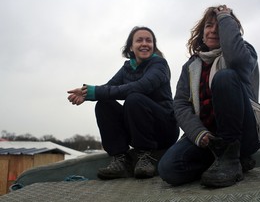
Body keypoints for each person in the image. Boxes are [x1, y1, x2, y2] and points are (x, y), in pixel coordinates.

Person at [158, 5, 260, 187]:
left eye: (219, 26)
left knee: (224, 78)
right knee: (168, 170)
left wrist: (225, 17)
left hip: (244, 134)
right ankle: (227, 163)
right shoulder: (190, 66)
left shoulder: (245, 52)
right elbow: (180, 104)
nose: (213, 31)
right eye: (208, 26)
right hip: (210, 139)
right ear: (202, 32)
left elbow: (236, 60)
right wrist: (198, 132)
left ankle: (233, 158)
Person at [67, 26, 179, 180]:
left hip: (164, 129)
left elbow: (141, 87)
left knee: (134, 98)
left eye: (149, 40)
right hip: (139, 129)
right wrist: (87, 93)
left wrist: (95, 91)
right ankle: (120, 159)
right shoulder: (127, 68)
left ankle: (145, 157)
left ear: (154, 46)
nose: (144, 43)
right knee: (104, 103)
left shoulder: (159, 65)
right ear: (131, 47)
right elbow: (109, 88)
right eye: (139, 40)